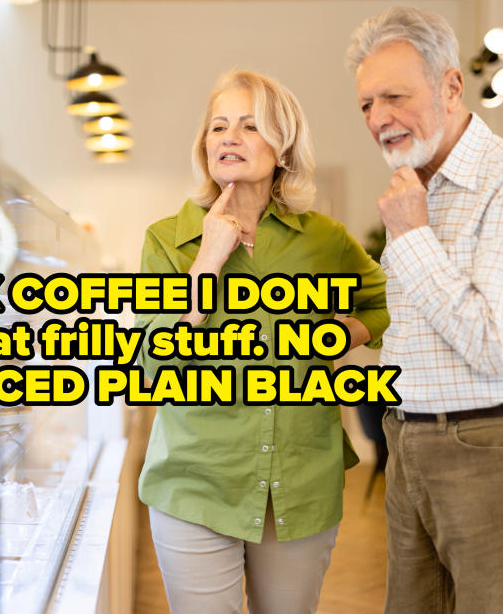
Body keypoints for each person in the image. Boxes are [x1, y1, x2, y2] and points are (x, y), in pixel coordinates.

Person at [346, 7, 503, 613]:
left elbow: (494, 339)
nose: (378, 119)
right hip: (412, 448)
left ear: (452, 86)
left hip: (491, 451)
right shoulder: (413, 193)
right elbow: (424, 338)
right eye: (367, 104)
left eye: (395, 97)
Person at [136, 70, 389, 614]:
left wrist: (345, 332)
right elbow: (151, 366)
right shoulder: (166, 240)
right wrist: (207, 260)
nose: (229, 137)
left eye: (250, 126)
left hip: (301, 484)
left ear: (283, 148)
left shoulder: (326, 240)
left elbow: (386, 302)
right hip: (195, 483)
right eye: (218, 127)